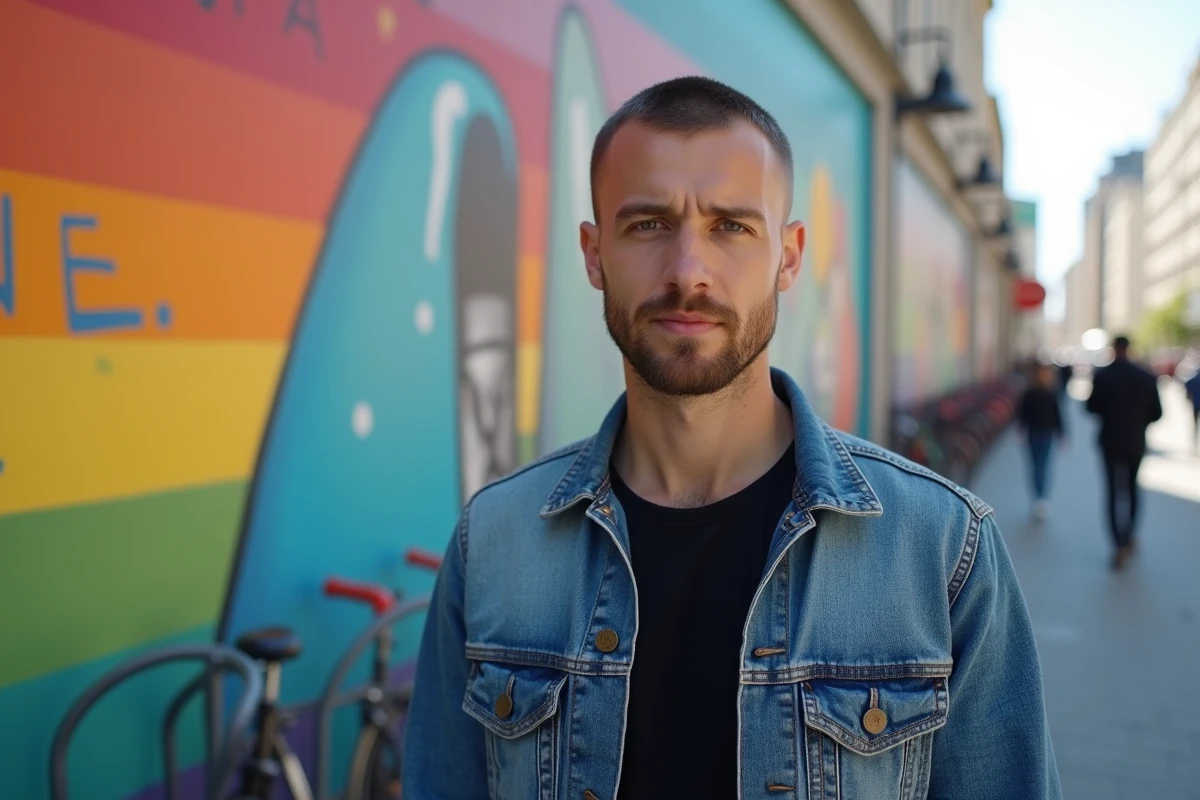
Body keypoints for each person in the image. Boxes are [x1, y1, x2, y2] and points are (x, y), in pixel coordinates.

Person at [403, 76, 1060, 799]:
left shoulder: (942, 550)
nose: (688, 272)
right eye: (648, 224)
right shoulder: (493, 543)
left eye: (731, 226)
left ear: (788, 255)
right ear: (594, 255)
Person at [1085, 335, 1163, 570]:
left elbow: (1090, 407)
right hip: (1135, 442)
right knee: (1132, 488)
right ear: (1130, 348)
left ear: (1113, 349)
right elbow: (1157, 413)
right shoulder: (1145, 376)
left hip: (1110, 441)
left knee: (1111, 492)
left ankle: (1118, 544)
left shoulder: (1104, 376)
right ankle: (1128, 535)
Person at [1017, 364, 1067, 521]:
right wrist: (1061, 434)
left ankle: (1038, 498)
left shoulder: (1030, 393)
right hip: (1045, 434)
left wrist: (1022, 429)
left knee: (1036, 465)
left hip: (1036, 433)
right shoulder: (1050, 394)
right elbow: (1057, 416)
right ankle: (1041, 498)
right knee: (1042, 465)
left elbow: (1022, 415)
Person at [1186, 368, 1200, 454]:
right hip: (1195, 404)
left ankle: (1195, 443)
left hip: (1195, 405)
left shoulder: (1193, 379)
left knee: (1195, 425)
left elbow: (1188, 387)